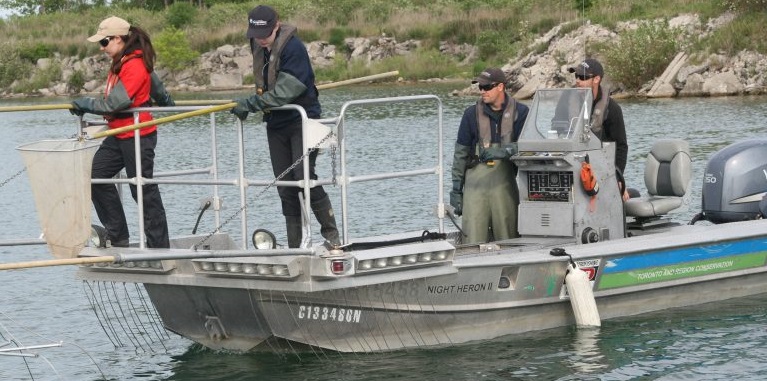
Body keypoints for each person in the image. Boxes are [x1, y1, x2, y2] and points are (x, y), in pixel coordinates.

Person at [229, 5, 340, 248]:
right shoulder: (258, 44)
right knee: (285, 184)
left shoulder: (294, 48)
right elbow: (267, 86)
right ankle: (295, 245)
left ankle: (331, 235)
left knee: (303, 178)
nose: (261, 40)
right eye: (256, 35)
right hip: (276, 124)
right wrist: (252, 104)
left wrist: (252, 104)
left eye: (265, 34)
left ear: (277, 25)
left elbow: (285, 92)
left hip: (304, 120)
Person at [71, 16, 174, 248]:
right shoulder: (125, 60)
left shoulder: (135, 64)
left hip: (138, 133)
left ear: (119, 38)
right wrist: (165, 99)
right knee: (95, 176)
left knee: (142, 188)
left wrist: (86, 103)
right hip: (119, 132)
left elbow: (114, 104)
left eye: (105, 42)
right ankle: (118, 236)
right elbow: (155, 85)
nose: (102, 47)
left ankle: (159, 246)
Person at [450, 68, 529, 244]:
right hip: (474, 188)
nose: (482, 91)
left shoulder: (521, 113)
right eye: (480, 87)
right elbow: (460, 155)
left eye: (487, 87)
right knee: (472, 239)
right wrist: (456, 190)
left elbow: (530, 147)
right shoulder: (470, 114)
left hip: (505, 186)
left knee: (509, 238)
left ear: (500, 86)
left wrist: (504, 151)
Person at [568, 58, 629, 200]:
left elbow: (621, 146)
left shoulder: (612, 109)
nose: (577, 80)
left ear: (596, 79)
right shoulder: (566, 102)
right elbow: (557, 131)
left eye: (582, 77)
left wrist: (618, 179)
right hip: (571, 165)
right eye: (576, 76)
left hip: (601, 170)